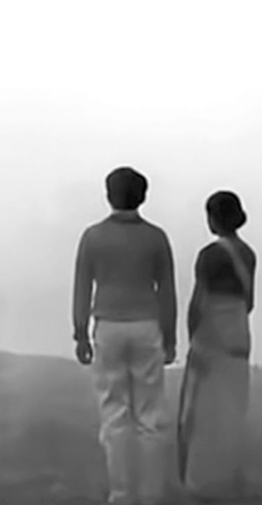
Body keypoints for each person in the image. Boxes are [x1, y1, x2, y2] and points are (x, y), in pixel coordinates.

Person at [72, 166, 178, 505]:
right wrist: (170, 336)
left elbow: (82, 287)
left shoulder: (93, 236)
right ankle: (151, 494)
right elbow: (167, 291)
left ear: (108, 195)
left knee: (114, 413)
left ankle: (121, 494)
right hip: (146, 324)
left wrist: (80, 332)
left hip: (108, 325)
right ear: (143, 197)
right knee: (150, 414)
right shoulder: (156, 237)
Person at [177, 190, 257, 502]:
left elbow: (199, 301)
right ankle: (230, 476)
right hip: (239, 333)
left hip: (212, 336)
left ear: (213, 218)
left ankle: (199, 482)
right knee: (232, 407)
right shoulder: (248, 253)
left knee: (200, 411)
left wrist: (192, 339)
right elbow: (249, 302)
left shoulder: (210, 255)